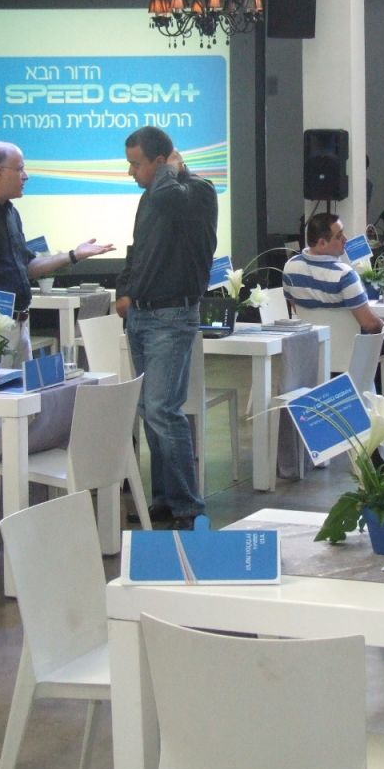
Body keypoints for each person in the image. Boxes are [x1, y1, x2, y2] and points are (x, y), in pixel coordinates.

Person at [115, 126, 218, 531]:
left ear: (161, 163)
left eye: (137, 164)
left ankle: (188, 505)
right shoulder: (152, 195)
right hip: (141, 315)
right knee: (149, 410)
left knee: (162, 409)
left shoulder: (196, 191)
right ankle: (164, 498)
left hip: (172, 316)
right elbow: (137, 251)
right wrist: (125, 291)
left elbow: (170, 200)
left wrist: (170, 172)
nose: (131, 173)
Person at [0, 141, 114, 367]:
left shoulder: (10, 212)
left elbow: (27, 267)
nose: (26, 176)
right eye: (19, 169)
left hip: (19, 323)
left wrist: (73, 255)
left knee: (22, 389)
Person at [281, 213, 384, 379]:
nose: (345, 240)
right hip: (349, 355)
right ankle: (364, 388)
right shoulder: (344, 275)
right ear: (322, 243)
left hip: (310, 352)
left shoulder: (290, 267)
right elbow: (368, 323)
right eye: (339, 236)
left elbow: (295, 307)